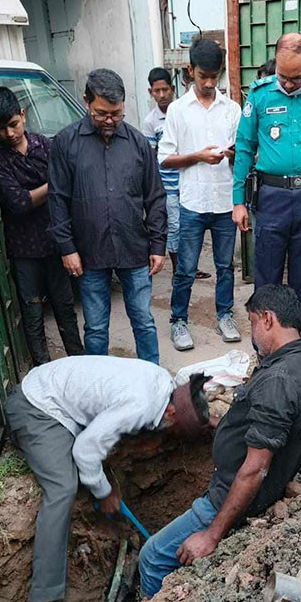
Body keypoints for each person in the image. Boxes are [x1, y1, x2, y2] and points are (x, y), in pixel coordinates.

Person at [138, 285, 301, 599]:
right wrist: (216, 424)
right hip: (243, 487)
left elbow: (255, 469)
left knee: (152, 557)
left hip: (227, 500)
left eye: (250, 322)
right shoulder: (300, 361)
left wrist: (211, 535)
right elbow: (264, 429)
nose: (251, 332)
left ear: (267, 319)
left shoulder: (279, 381)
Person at [4, 355, 211, 602]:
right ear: (170, 412)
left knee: (88, 469)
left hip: (59, 398)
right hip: (38, 408)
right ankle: (41, 600)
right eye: (176, 429)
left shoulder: (162, 383)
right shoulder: (140, 406)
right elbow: (85, 452)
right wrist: (105, 492)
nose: (171, 433)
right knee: (62, 488)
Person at [47, 69, 167, 364]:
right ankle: (98, 382)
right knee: (96, 327)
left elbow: (155, 196)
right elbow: (57, 199)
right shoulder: (66, 143)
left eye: (117, 113)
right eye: (102, 114)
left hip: (134, 248)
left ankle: (152, 378)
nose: (110, 120)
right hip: (88, 253)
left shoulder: (138, 143)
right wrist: (67, 249)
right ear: (86, 101)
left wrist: (158, 246)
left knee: (143, 321)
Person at [231, 33, 301, 331]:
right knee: (267, 270)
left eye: (295, 78)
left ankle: (293, 334)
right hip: (272, 197)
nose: (288, 84)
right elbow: (243, 147)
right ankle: (265, 334)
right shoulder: (259, 94)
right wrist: (238, 201)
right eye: (282, 76)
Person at [0, 86, 85, 365]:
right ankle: (43, 370)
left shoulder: (45, 146)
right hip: (23, 247)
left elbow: (67, 191)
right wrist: (54, 187)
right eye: (0, 129)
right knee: (33, 311)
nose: (9, 134)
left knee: (65, 307)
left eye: (13, 124)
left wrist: (46, 193)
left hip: (55, 241)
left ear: (23, 115)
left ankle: (79, 363)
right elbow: (19, 203)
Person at [159, 39, 243, 350]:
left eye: (215, 76)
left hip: (223, 201)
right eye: (203, 76)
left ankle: (225, 315)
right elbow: (165, 158)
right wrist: (198, 156)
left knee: (225, 266)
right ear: (190, 71)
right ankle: (178, 321)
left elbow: (243, 156)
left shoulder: (232, 109)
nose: (209, 83)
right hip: (192, 202)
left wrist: (234, 155)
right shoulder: (178, 111)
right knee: (185, 268)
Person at [141, 68, 211, 282]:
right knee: (173, 227)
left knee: (192, 227)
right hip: (168, 186)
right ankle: (178, 271)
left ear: (172, 89)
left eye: (165, 90)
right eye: (156, 91)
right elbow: (152, 159)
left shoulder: (185, 110)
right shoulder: (150, 122)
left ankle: (190, 266)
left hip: (191, 181)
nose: (161, 95)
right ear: (150, 92)